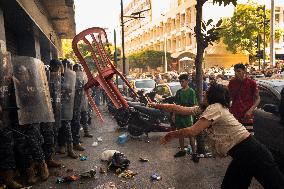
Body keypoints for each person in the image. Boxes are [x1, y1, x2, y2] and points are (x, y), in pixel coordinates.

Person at [150, 83, 284, 189]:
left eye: (206, 92)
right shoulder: (208, 108)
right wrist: (158, 105)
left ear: (213, 95)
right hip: (241, 155)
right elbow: (182, 109)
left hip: (252, 153)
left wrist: (171, 134)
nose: (203, 93)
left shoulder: (216, 108)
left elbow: (193, 131)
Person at [228, 63, 260, 133]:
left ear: (244, 71)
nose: (236, 73)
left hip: (247, 116)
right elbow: (229, 97)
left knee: (248, 137)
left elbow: (258, 99)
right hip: (234, 115)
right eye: (235, 71)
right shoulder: (231, 83)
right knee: (235, 137)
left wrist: (250, 110)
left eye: (238, 71)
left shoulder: (252, 83)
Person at [172, 74, 197, 159]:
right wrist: (174, 115)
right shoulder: (179, 92)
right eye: (180, 82)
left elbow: (193, 105)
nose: (181, 83)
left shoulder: (191, 92)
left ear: (187, 81)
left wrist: (191, 114)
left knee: (191, 135)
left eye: (182, 81)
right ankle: (182, 150)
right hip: (179, 116)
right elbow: (176, 105)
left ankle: (194, 153)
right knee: (180, 133)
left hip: (187, 116)